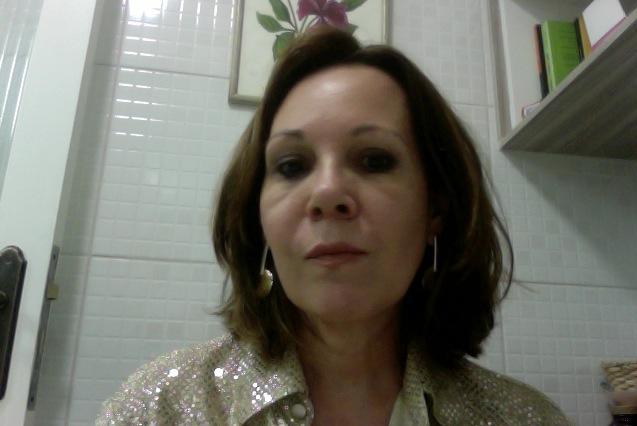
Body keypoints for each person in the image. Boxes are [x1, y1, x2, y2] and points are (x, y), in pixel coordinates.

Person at [96, 26, 571, 425]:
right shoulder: (160, 409)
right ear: (257, 219)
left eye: (374, 160)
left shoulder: (527, 419)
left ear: (435, 211)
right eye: (291, 166)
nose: (326, 194)